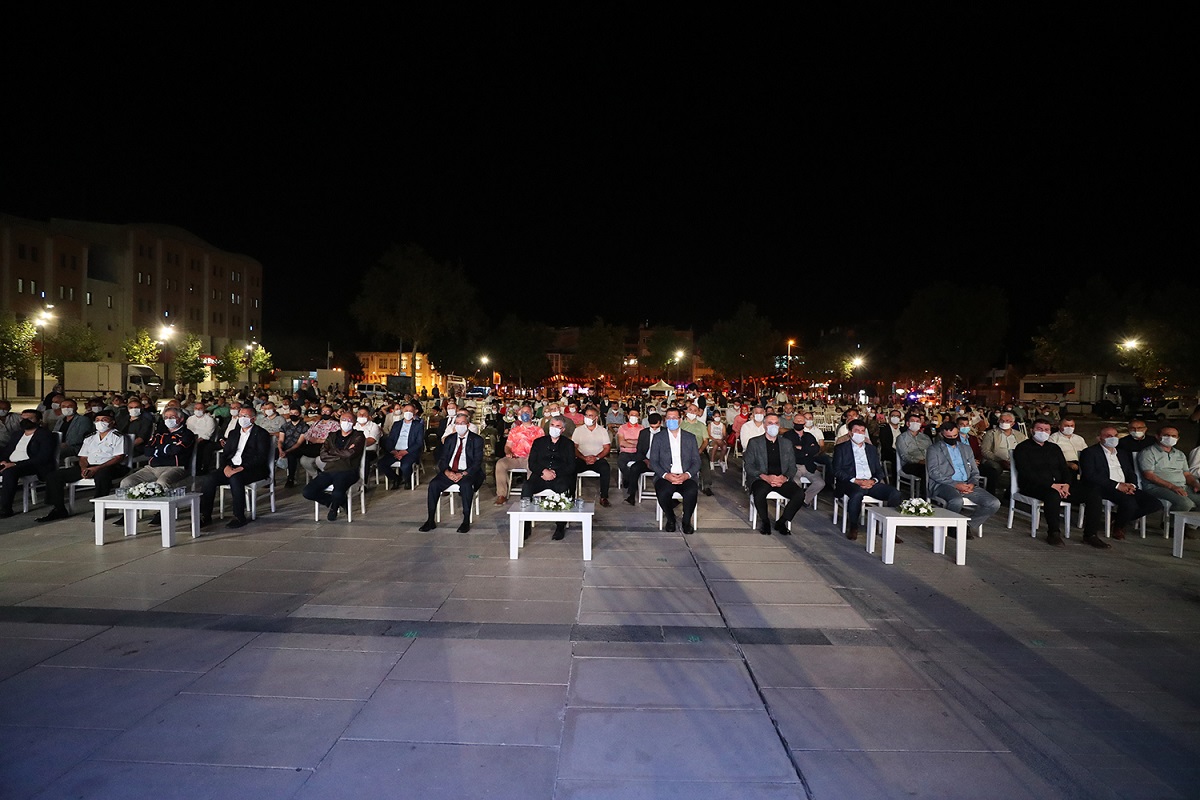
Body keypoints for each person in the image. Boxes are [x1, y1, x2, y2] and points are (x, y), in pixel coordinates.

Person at [36, 411, 129, 522]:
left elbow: (118, 457)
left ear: (112, 422)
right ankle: (58, 509)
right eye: (98, 420)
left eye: (104, 420)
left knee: (102, 476)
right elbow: (83, 457)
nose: (100, 422)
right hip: (89, 466)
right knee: (54, 476)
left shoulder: (118, 436)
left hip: (111, 466)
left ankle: (99, 510)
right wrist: (84, 468)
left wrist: (97, 468)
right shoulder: (90, 437)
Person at [1079, 426, 1161, 544]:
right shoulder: (1090, 452)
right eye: (1108, 436)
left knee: (1154, 504)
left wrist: (1132, 485)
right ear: (1099, 438)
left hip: (1126, 486)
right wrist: (1117, 485)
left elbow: (1130, 472)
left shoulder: (1122, 453)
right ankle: (1119, 526)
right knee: (1129, 503)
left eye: (1115, 436)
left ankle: (1118, 519)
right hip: (1105, 487)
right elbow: (1091, 475)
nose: (1113, 438)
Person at [197, 406, 273, 529]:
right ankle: (205, 515)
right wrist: (226, 466)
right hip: (232, 466)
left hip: (251, 469)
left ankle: (239, 516)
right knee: (209, 478)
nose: (241, 418)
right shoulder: (233, 433)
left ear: (253, 419)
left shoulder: (261, 434)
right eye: (240, 415)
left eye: (245, 416)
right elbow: (226, 453)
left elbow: (260, 457)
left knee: (235, 478)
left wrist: (242, 467)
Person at [925, 421, 1001, 537]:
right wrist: (955, 484)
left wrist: (972, 483)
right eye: (948, 437)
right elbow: (934, 472)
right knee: (956, 500)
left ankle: (967, 525)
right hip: (944, 484)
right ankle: (951, 527)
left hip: (967, 483)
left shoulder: (966, 448)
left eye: (955, 436)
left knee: (994, 503)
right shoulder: (934, 449)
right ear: (942, 435)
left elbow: (975, 471)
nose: (952, 438)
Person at [832, 419, 900, 541]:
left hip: (870, 482)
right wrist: (856, 480)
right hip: (851, 482)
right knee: (857, 494)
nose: (860, 433)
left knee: (895, 493)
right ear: (850, 432)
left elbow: (879, 471)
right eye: (856, 431)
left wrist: (873, 480)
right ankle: (853, 526)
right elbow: (836, 470)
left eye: (862, 431)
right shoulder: (841, 448)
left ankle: (889, 528)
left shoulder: (871, 449)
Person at [419, 411, 484, 533]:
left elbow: (477, 462)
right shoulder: (450, 439)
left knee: (466, 486)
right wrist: (446, 472)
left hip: (467, 472)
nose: (460, 426)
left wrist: (463, 474)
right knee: (433, 485)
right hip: (450, 470)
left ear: (468, 425)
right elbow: (443, 459)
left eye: (462, 423)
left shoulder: (477, 440)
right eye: (457, 423)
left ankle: (465, 521)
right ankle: (430, 520)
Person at [1012, 419, 1073, 547]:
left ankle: (1091, 534)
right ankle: (1054, 533)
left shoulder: (1054, 448)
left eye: (1046, 430)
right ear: (1031, 430)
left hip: (1060, 485)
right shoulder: (1023, 448)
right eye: (1040, 429)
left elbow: (1064, 469)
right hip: (1034, 486)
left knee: (1091, 492)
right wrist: (1051, 485)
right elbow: (1026, 472)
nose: (1043, 432)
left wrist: (1066, 483)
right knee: (1052, 495)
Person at [300, 410, 367, 522]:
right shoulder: (332, 435)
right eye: (343, 420)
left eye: (349, 420)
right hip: (329, 470)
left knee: (338, 491)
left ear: (354, 423)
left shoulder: (358, 436)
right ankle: (331, 502)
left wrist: (333, 451)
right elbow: (323, 455)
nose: (346, 422)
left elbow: (351, 454)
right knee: (308, 491)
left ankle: (334, 509)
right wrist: (342, 453)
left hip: (348, 470)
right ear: (339, 422)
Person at [744, 413, 804, 535]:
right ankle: (765, 521)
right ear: (765, 425)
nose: (773, 426)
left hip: (781, 479)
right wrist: (765, 477)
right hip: (761, 478)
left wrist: (785, 477)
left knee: (799, 494)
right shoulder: (754, 442)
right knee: (760, 492)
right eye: (770, 423)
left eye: (776, 423)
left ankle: (782, 521)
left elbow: (792, 466)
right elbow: (749, 465)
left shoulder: (786, 443)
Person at [521, 415, 578, 540]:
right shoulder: (538, 442)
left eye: (558, 426)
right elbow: (532, 463)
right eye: (552, 425)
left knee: (564, 488)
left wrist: (554, 473)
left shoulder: (568, 444)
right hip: (540, 475)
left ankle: (560, 526)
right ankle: (525, 527)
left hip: (559, 476)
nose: (554, 428)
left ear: (563, 429)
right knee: (527, 487)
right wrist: (543, 471)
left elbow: (571, 466)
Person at [1138, 426, 1200, 538]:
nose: (1170, 438)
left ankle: (1188, 526)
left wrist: (1195, 484)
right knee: (1185, 503)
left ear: (1178, 438)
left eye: (1173, 436)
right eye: (1166, 435)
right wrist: (1172, 487)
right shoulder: (1148, 452)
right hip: (1156, 487)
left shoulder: (1180, 454)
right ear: (1157, 436)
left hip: (1181, 486)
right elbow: (1149, 475)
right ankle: (1172, 527)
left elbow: (1187, 474)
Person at [118, 407, 195, 494]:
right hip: (151, 468)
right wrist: (166, 448)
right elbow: (147, 450)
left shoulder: (186, 434)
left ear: (181, 419)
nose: (168, 420)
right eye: (166, 417)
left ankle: (162, 507)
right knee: (127, 482)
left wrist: (157, 450)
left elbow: (176, 450)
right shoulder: (158, 434)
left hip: (175, 467)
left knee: (161, 483)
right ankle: (129, 507)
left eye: (172, 417)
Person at [648, 408, 701, 533]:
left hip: (685, 476)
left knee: (691, 491)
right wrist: (666, 475)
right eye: (669, 418)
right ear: (665, 421)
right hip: (666, 476)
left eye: (674, 418)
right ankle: (671, 519)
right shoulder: (658, 438)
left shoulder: (690, 438)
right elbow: (654, 461)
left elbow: (696, 461)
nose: (672, 420)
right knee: (663, 492)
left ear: (680, 420)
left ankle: (686, 521)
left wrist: (686, 475)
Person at [0, 410, 57, 518]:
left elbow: (43, 457)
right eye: (23, 418)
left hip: (32, 465)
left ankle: (5, 509)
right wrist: (3, 461)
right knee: (7, 468)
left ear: (38, 420)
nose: (25, 421)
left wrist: (15, 465)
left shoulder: (44, 434)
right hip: (10, 463)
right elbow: (7, 451)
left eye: (29, 419)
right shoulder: (17, 434)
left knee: (9, 472)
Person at [493, 403, 542, 503]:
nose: (525, 414)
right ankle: (502, 494)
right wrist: (508, 452)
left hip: (530, 458)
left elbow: (542, 447)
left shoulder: (538, 430)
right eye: (523, 412)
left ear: (532, 415)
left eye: (527, 412)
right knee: (500, 464)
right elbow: (507, 446)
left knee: (533, 466)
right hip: (515, 457)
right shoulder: (514, 430)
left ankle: (530, 493)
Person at [781, 412, 826, 508]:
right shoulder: (787, 436)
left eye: (801, 421)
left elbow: (816, 449)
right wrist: (806, 451)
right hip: (794, 465)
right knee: (796, 482)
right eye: (797, 420)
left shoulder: (809, 436)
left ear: (804, 423)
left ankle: (804, 499)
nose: (799, 422)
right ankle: (796, 500)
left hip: (808, 465)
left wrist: (800, 448)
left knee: (820, 483)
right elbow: (789, 451)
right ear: (793, 422)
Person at [378, 403, 426, 490]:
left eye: (410, 411)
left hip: (409, 451)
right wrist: (392, 450)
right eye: (406, 411)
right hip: (395, 450)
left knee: (405, 466)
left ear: (415, 412)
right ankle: (395, 478)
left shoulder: (418, 426)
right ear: (403, 411)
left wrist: (406, 451)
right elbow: (390, 439)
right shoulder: (397, 424)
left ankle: (407, 480)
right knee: (381, 463)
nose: (408, 413)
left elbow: (419, 443)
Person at [572, 405, 612, 507]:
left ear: (596, 418)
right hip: (582, 458)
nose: (587, 417)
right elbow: (574, 447)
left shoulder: (602, 430)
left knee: (606, 468)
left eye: (590, 415)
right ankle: (570, 496)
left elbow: (607, 448)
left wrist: (596, 457)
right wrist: (584, 457)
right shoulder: (578, 430)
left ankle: (604, 497)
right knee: (570, 468)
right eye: (586, 415)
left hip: (597, 459)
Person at [980, 412, 1026, 497]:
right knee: (994, 469)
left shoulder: (1020, 436)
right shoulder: (991, 433)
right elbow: (985, 451)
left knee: (1024, 470)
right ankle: (991, 495)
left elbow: (1025, 451)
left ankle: (1010, 496)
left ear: (1013, 423)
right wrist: (1000, 460)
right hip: (994, 460)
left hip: (1014, 461)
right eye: (1002, 420)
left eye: (1008, 421)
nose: (1004, 423)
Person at [623, 412, 663, 505]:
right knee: (634, 468)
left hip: (661, 462)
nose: (654, 429)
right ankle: (631, 495)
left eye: (656, 427)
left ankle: (670, 498)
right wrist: (645, 460)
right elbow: (640, 450)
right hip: (646, 460)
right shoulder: (644, 433)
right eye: (652, 427)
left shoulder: (665, 432)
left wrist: (655, 462)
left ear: (660, 423)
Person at [278, 406, 309, 487]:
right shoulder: (285, 426)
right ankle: (270, 477)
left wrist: (286, 451)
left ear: (299, 414)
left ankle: (290, 478)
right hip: (285, 446)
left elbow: (299, 443)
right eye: (291, 413)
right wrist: (280, 450)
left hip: (298, 448)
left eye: (295, 413)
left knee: (291, 456)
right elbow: (280, 440)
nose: (293, 415)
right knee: (271, 453)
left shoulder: (304, 426)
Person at [896, 413, 932, 480]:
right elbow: (905, 456)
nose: (915, 423)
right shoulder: (902, 438)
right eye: (912, 421)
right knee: (925, 471)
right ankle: (925, 490)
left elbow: (932, 451)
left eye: (917, 421)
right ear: (907, 424)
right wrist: (919, 461)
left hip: (928, 462)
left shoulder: (926, 438)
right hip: (910, 464)